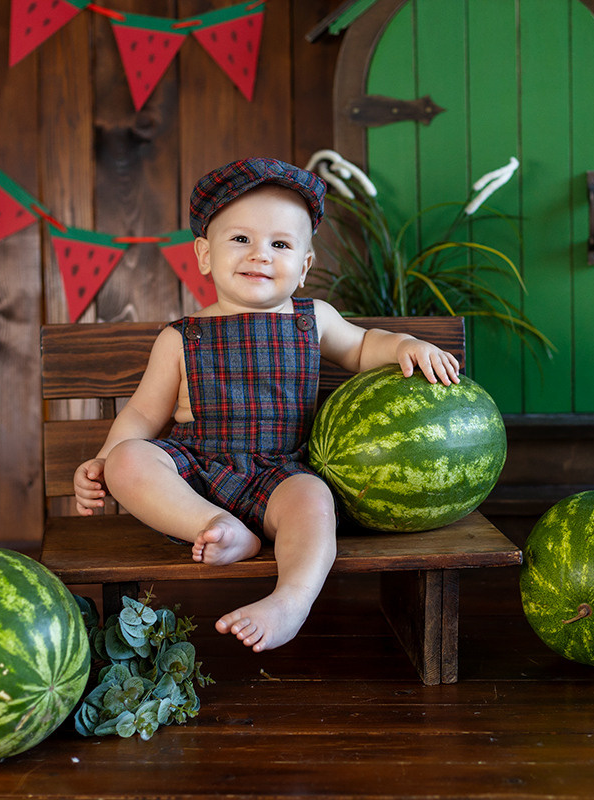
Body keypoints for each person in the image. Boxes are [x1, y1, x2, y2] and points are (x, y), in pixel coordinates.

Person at [73, 157, 461, 653]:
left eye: (280, 244)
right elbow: (142, 416)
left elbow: (363, 348)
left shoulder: (313, 318)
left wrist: (404, 344)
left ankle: (291, 601)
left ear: (303, 267)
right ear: (204, 254)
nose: (260, 254)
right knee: (132, 458)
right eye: (241, 239)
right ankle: (216, 528)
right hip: (198, 475)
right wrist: (106, 461)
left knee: (315, 502)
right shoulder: (181, 338)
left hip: (281, 473)